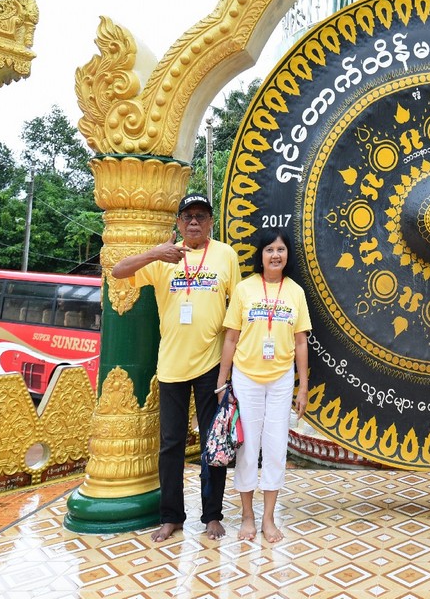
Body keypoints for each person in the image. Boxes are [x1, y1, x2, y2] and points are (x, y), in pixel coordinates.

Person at [112, 193, 241, 542]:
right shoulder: (163, 256)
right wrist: (154, 253)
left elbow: (237, 307)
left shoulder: (225, 255)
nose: (194, 222)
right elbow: (118, 271)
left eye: (201, 216)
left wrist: (230, 367)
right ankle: (171, 517)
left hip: (211, 365)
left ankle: (212, 515)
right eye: (188, 216)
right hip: (171, 366)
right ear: (179, 223)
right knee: (171, 444)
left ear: (210, 222)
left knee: (213, 441)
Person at [217, 227, 311, 544]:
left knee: (275, 448)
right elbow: (231, 338)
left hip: (281, 378)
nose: (275, 255)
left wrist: (302, 387)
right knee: (247, 448)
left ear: (287, 255)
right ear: (260, 255)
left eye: (280, 249)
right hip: (246, 377)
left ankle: (268, 518)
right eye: (269, 249)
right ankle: (247, 516)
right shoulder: (245, 289)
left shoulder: (295, 292)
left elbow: (301, 342)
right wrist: (222, 380)